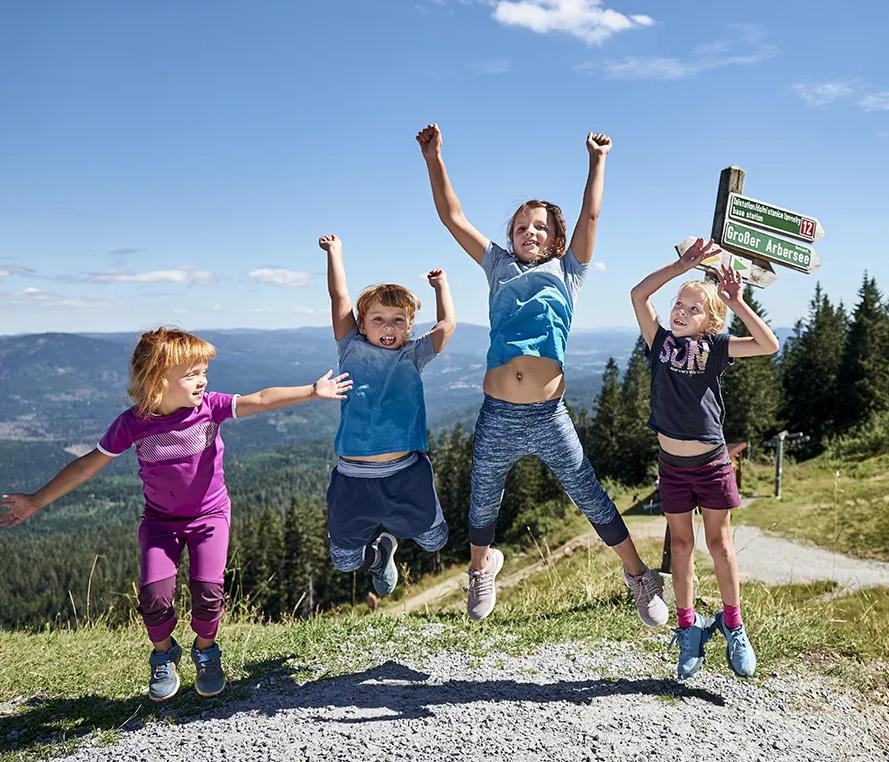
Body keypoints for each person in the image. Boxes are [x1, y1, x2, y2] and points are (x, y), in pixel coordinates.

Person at [0, 327, 350, 701]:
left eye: (203, 372)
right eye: (191, 374)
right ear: (156, 378)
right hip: (160, 522)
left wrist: (312, 392)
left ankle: (206, 650)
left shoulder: (210, 408)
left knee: (208, 591)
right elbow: (88, 465)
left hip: (210, 517)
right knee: (153, 596)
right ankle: (164, 654)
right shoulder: (133, 423)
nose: (202, 380)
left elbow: (260, 399)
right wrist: (36, 500)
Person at [416, 123, 668, 626]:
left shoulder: (568, 271)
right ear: (510, 236)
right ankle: (482, 568)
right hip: (497, 413)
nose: (530, 232)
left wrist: (597, 162)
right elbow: (452, 216)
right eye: (520, 226)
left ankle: (640, 577)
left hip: (549, 416)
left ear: (555, 238)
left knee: (589, 493)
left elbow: (591, 215)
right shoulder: (496, 265)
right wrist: (434, 158)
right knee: (482, 498)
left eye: (540, 227)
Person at [630, 240, 779, 679]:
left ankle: (734, 626)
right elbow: (639, 295)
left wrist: (737, 302)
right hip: (672, 467)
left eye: (693, 309)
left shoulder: (717, 346)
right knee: (680, 546)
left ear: (711, 321)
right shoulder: (659, 342)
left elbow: (767, 345)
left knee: (719, 545)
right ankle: (688, 628)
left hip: (712, 464)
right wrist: (679, 267)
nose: (680, 311)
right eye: (679, 303)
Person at [320, 234, 456, 599]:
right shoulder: (350, 347)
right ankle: (381, 555)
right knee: (346, 561)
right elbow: (340, 298)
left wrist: (441, 287)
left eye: (399, 320)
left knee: (434, 540)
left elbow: (447, 325)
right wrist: (336, 253)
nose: (389, 326)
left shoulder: (414, 354)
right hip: (353, 476)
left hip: (404, 472)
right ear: (362, 324)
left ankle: (393, 535)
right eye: (378, 319)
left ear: (409, 328)